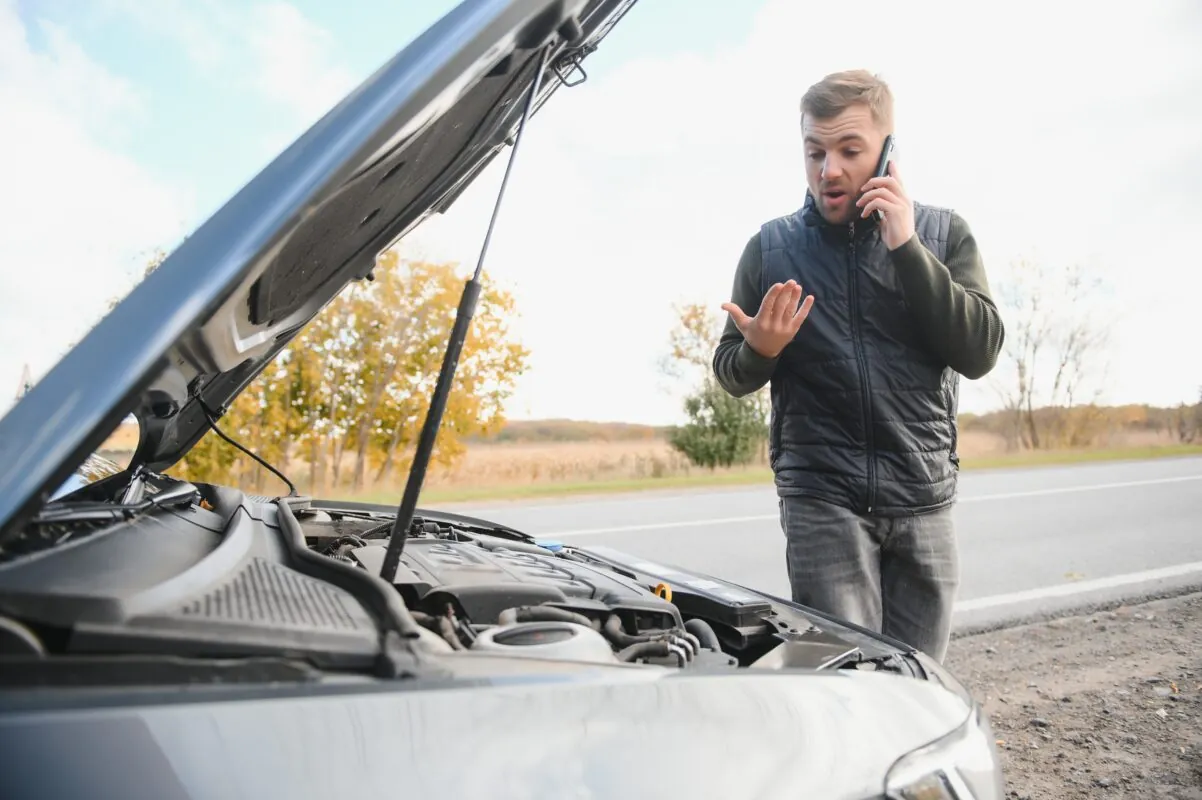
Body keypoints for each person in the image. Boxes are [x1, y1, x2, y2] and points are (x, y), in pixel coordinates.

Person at [712, 69, 1004, 663]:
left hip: (923, 496)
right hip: (823, 501)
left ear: (888, 151)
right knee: (844, 689)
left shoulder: (944, 235)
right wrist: (761, 350)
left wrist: (907, 248)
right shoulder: (770, 249)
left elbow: (979, 352)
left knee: (918, 686)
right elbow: (730, 372)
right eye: (815, 151)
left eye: (850, 151)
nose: (829, 170)